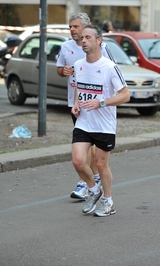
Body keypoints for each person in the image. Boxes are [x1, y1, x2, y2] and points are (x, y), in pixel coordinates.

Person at [71, 25, 130, 217]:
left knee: (101, 164)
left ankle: (108, 201)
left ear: (99, 40)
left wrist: (102, 102)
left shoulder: (110, 67)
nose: (84, 41)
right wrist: (76, 103)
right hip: (84, 122)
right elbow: (80, 87)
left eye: (88, 37)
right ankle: (93, 190)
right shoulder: (78, 65)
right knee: (78, 161)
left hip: (104, 125)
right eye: (82, 38)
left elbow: (125, 95)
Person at [56, 13, 115, 200]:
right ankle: (90, 182)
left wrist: (104, 101)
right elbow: (61, 70)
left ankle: (92, 182)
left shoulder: (101, 48)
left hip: (100, 107)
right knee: (83, 146)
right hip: (77, 102)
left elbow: (113, 72)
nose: (73, 30)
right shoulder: (66, 47)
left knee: (94, 150)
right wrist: (63, 71)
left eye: (76, 26)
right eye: (70, 27)